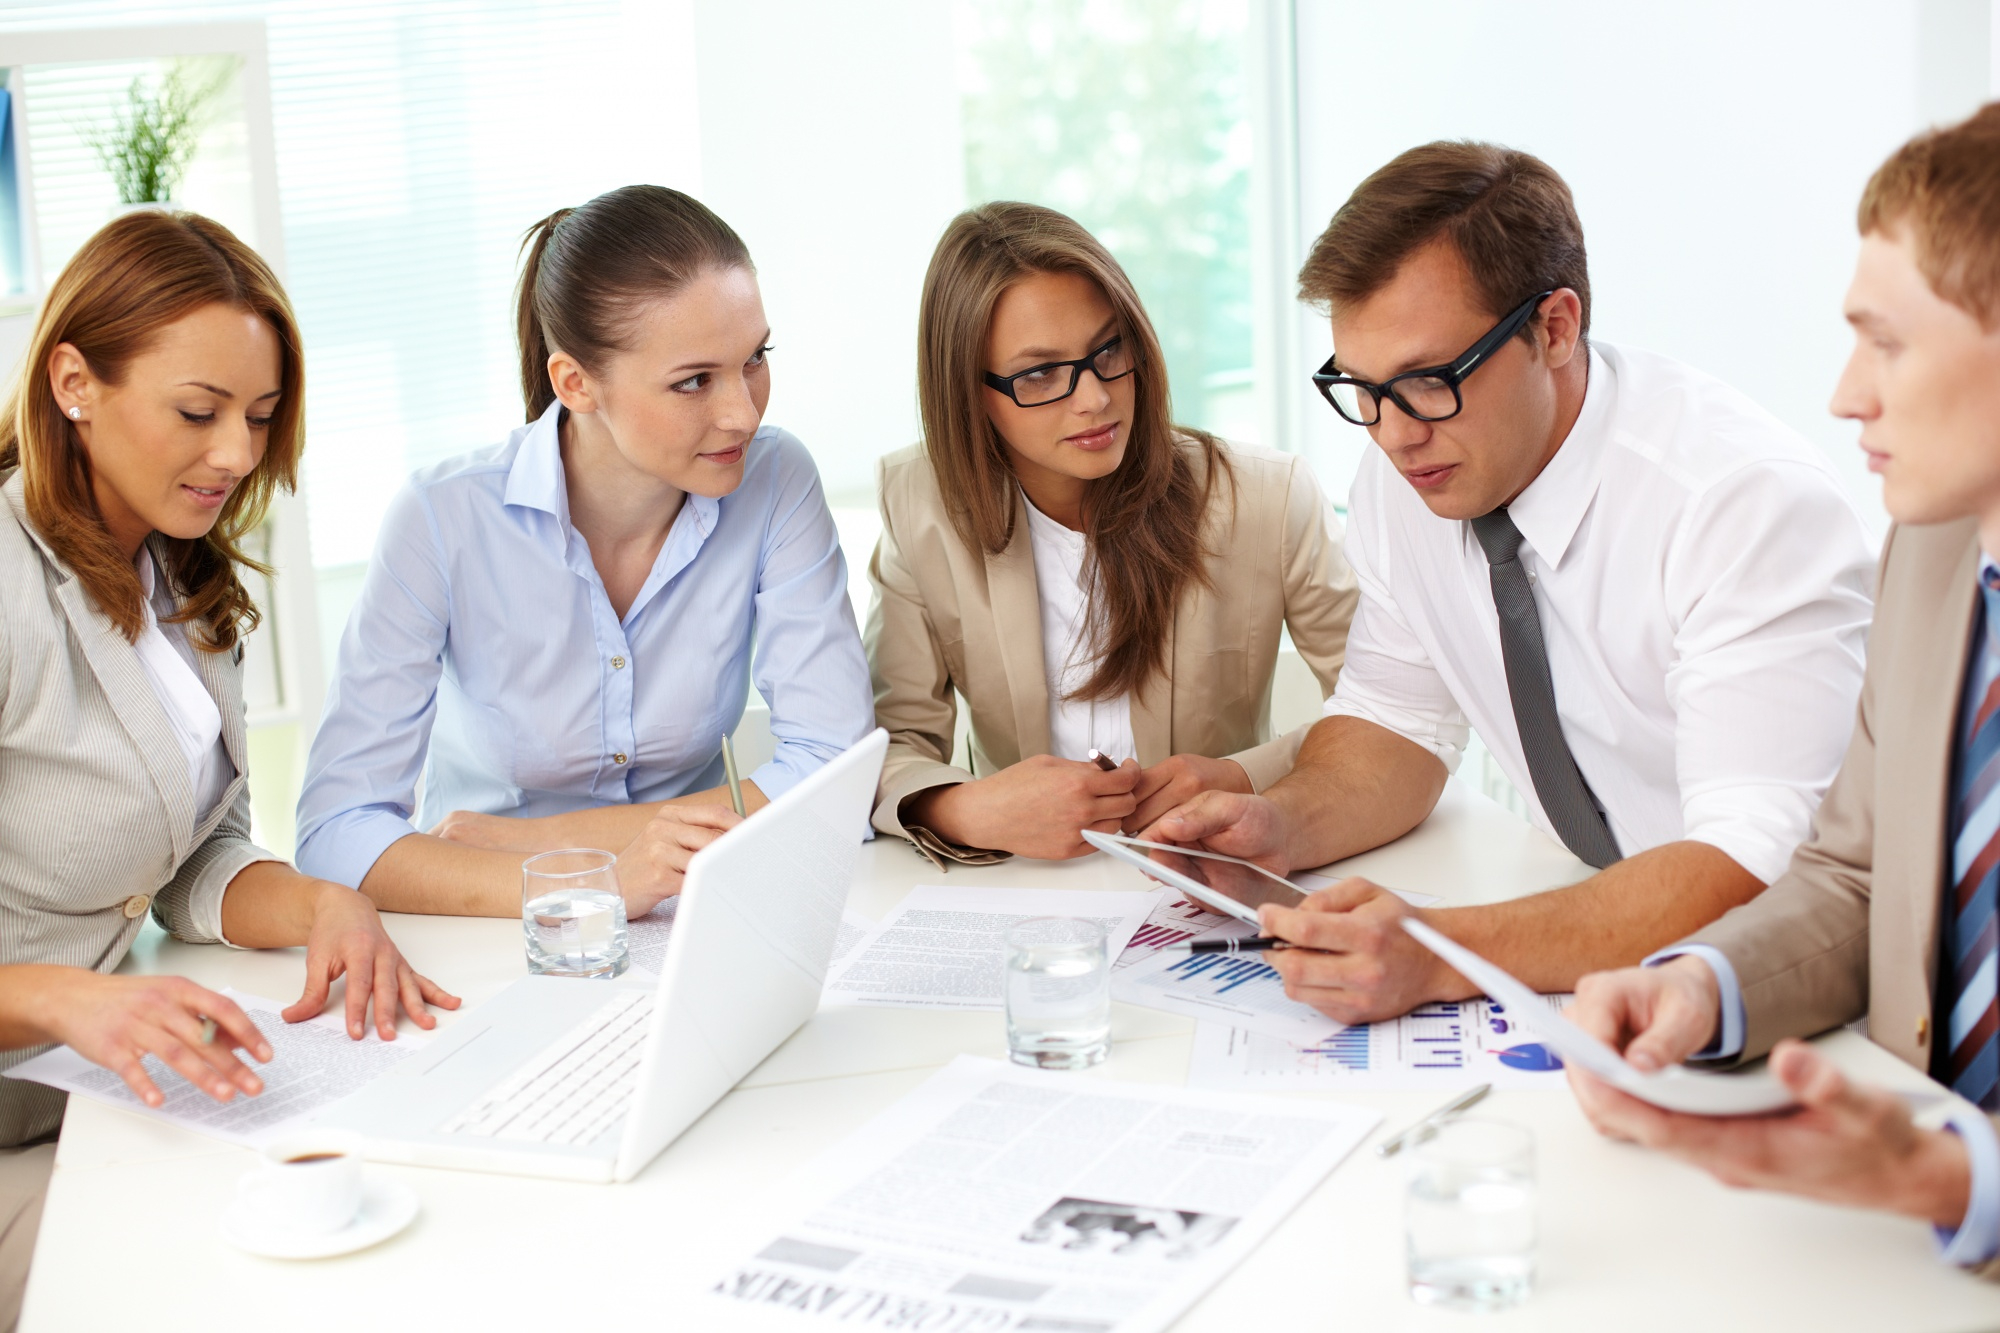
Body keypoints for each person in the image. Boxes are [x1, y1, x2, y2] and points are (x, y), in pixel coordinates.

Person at [1141, 142, 1877, 1022]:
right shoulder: (1409, 476)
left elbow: (1760, 866)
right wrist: (1281, 828)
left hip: (1780, 989)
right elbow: (1395, 720)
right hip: (1602, 938)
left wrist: (1445, 951)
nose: (1391, 434)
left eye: (1426, 381)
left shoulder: (1739, 505)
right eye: (1361, 388)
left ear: (1555, 328)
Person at [1565, 103, 2000, 1280]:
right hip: (1894, 1264)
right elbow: (1858, 874)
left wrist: (1960, 1181)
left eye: (1886, 342)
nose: (1844, 394)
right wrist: (1700, 987)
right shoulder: (1931, 554)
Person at [0, 211, 457, 1327]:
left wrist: (323, 902)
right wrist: (75, 999)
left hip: (96, 1107)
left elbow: (196, 849)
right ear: (73, 382)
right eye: (198, 413)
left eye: (258, 417)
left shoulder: (181, 578)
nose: (239, 455)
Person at [293, 186, 874, 916]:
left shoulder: (776, 479)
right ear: (575, 383)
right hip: (485, 921)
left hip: (688, 907)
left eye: (755, 358)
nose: (744, 411)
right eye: (694, 380)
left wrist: (535, 842)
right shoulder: (443, 519)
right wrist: (593, 880)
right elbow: (335, 835)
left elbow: (835, 776)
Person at [868, 202, 1358, 865]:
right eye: (1039, 373)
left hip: (1217, 874)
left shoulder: (1267, 497)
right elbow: (886, 745)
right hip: (1026, 893)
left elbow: (1386, 714)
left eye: (1108, 349)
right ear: (969, 392)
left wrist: (1245, 775)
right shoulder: (918, 507)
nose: (1095, 397)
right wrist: (977, 807)